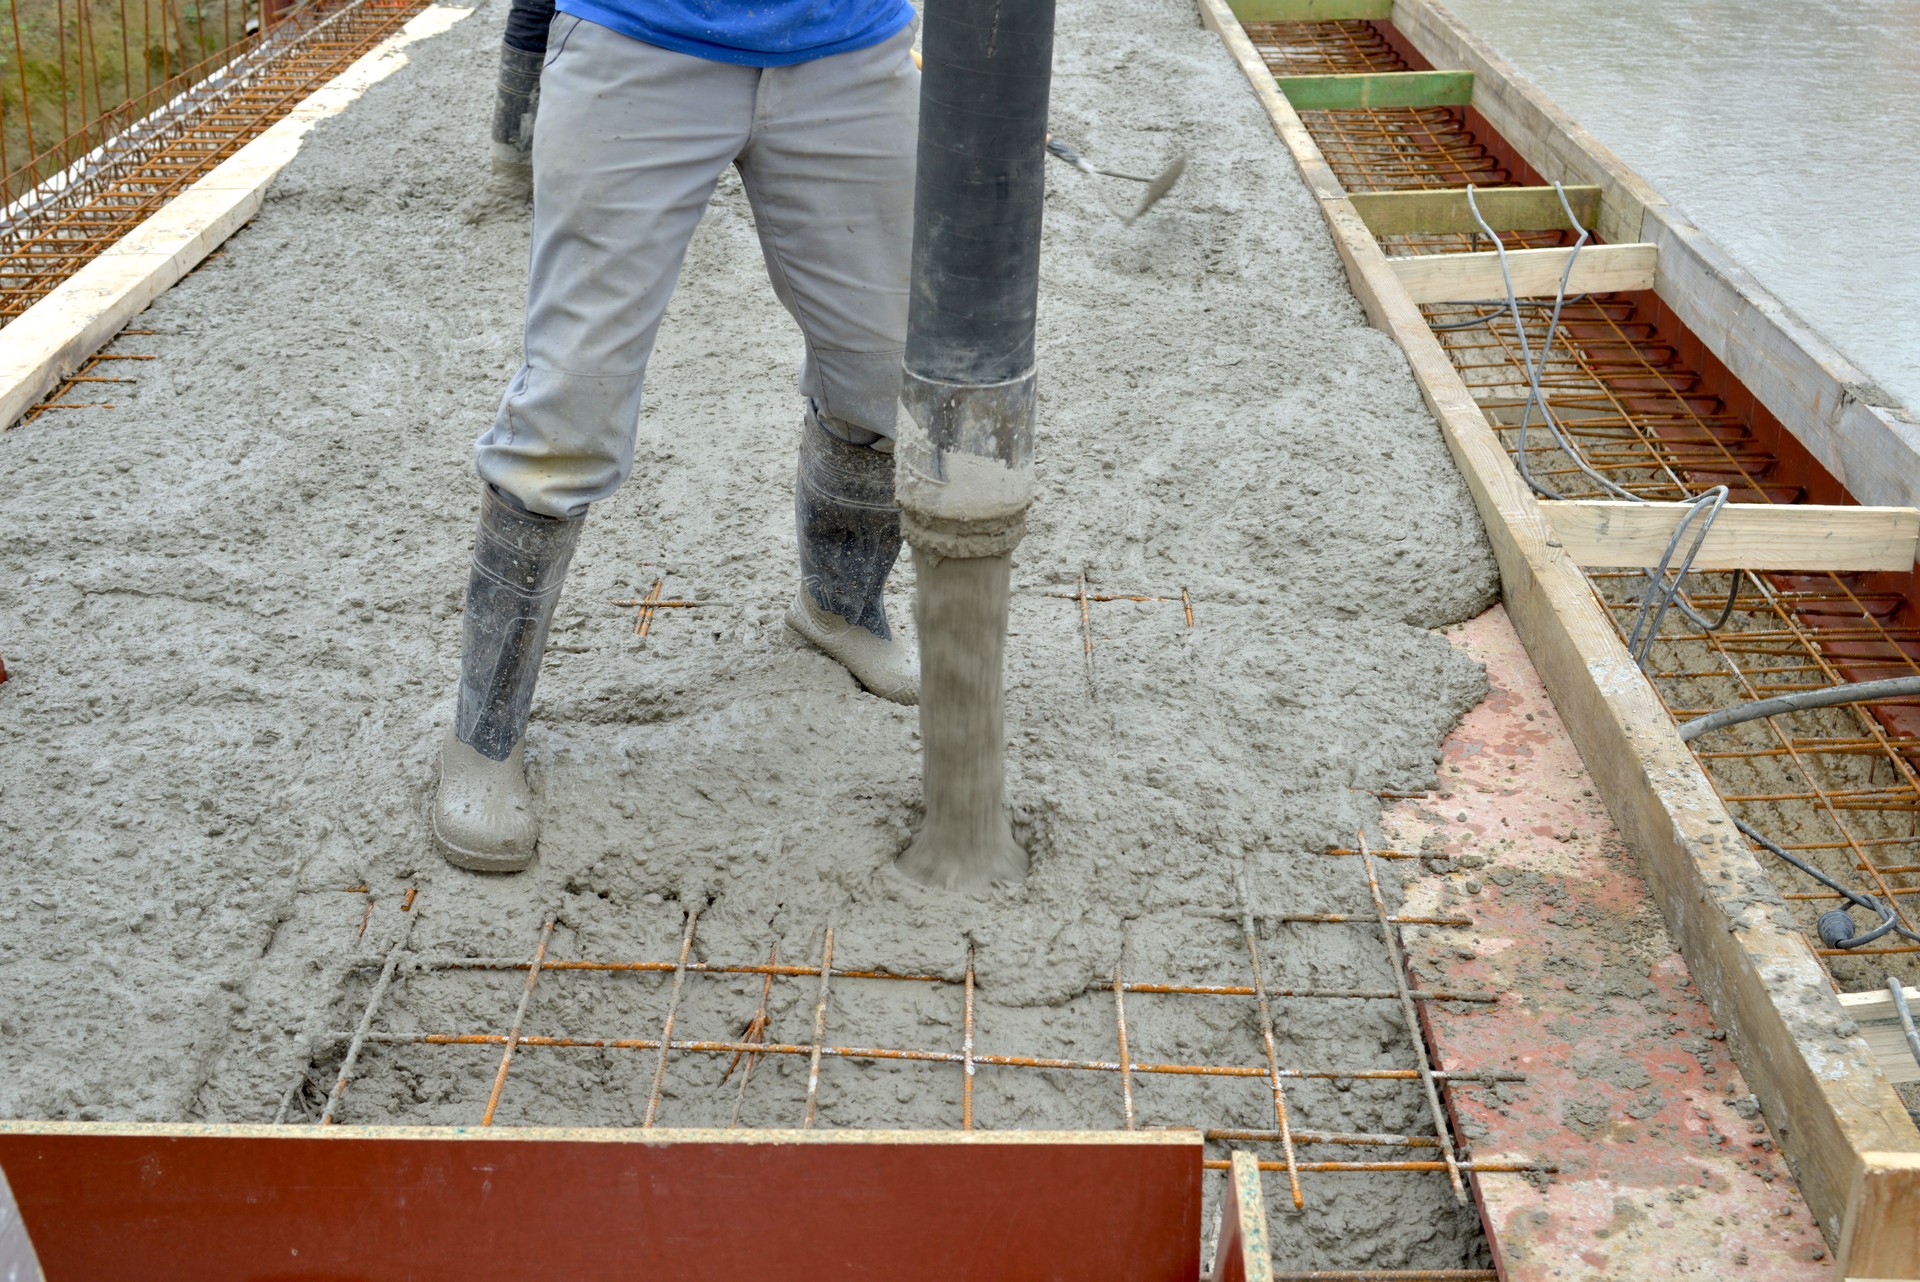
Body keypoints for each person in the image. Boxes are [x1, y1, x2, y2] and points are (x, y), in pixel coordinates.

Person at [434, 0, 921, 872]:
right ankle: (484, 734)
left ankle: (840, 609)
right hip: (641, 42)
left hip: (849, 49)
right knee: (568, 410)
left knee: (886, 372)